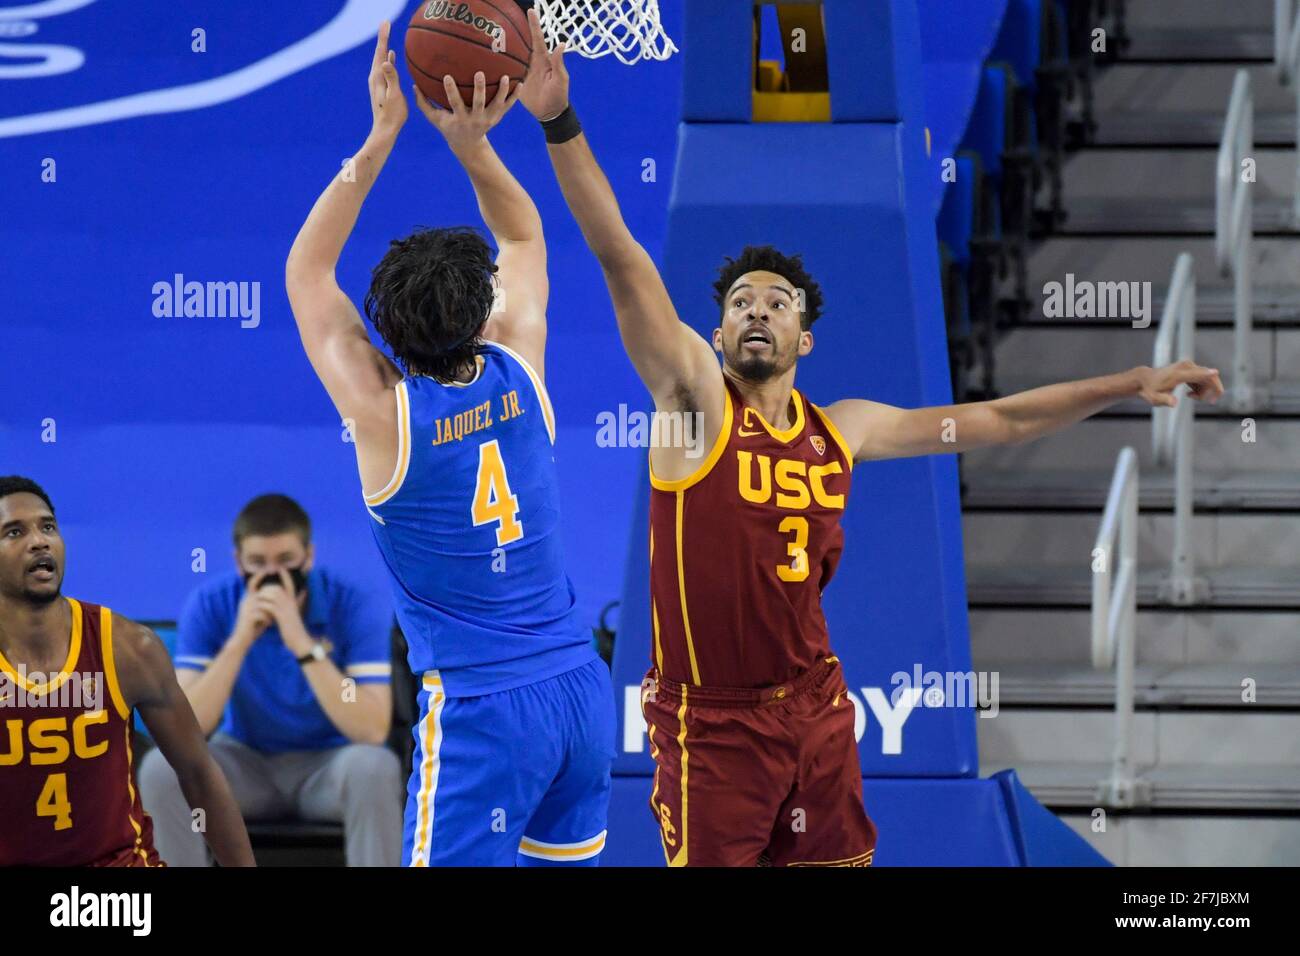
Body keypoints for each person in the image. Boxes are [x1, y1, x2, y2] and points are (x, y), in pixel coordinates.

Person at [518, 9, 1227, 867]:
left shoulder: (843, 429)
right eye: (740, 300)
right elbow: (621, 255)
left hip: (815, 707)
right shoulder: (693, 404)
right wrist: (559, 119)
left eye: (776, 301)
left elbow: (998, 420)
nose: (755, 309)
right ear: (714, 334)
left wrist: (1129, 382)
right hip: (714, 725)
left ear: (804, 337)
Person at [283, 23, 613, 867]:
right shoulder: (517, 360)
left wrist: (378, 139)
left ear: (385, 332)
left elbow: (307, 275)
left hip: (481, 709)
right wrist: (470, 145)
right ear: (480, 310)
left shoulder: (386, 414)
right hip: (578, 690)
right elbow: (527, 238)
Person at [0, 476, 254, 867]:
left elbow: (199, 774)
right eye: (14, 532)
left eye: (47, 526)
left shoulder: (127, 649)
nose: (39, 541)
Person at [138, 493, 400, 866]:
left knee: (375, 768)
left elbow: (372, 730)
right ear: (238, 562)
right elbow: (187, 728)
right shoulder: (212, 603)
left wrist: (301, 643)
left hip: (328, 767)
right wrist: (240, 639)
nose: (272, 575)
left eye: (286, 562)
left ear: (308, 557)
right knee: (163, 769)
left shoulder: (352, 603)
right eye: (257, 563)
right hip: (244, 764)